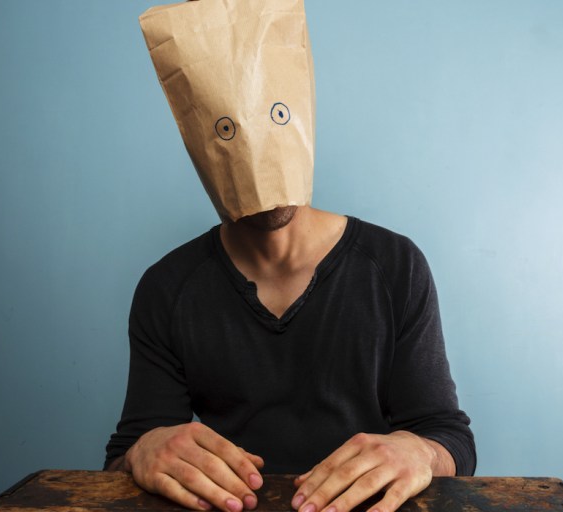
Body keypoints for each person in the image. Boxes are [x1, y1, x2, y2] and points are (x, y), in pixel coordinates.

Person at [105, 2, 474, 512]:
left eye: (275, 117)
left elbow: (449, 437)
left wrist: (419, 450)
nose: (257, 156)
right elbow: (125, 456)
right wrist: (143, 450)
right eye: (229, 130)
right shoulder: (166, 289)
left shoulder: (394, 266)